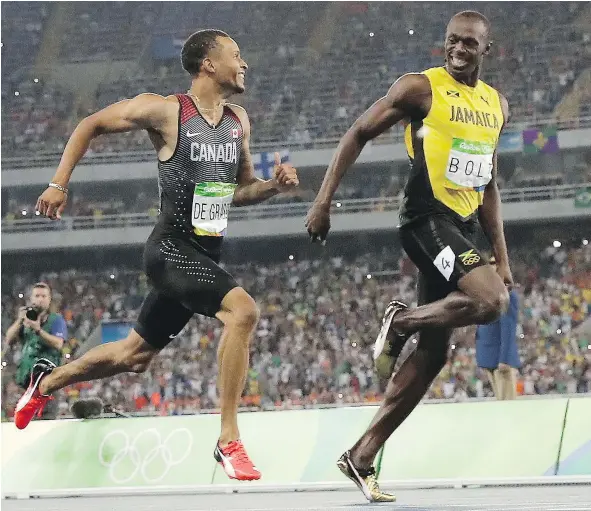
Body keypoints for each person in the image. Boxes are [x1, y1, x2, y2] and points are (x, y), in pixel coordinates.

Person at [16, 29, 299, 482]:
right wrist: (58, 183)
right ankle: (228, 440)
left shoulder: (238, 120)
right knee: (243, 311)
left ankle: (45, 382)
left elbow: (238, 190)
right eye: (236, 55)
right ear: (208, 63)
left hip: (204, 254)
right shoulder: (168, 111)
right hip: (169, 250)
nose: (244, 64)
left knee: (133, 355)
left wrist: (272, 187)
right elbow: (90, 123)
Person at [306, 11, 513, 502]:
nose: (458, 51)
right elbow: (358, 132)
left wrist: (501, 255)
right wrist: (323, 200)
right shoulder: (420, 88)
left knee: (436, 353)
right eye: (451, 42)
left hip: (459, 228)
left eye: (469, 44)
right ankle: (400, 323)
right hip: (425, 222)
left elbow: (486, 184)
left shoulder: (497, 105)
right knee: (492, 303)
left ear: (488, 50)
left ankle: (361, 455)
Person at [4, 282, 67, 420]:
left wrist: (38, 330)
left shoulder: (56, 319)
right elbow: (8, 338)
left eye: (44, 296)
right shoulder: (25, 320)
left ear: (49, 299)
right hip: (27, 382)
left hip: (47, 382)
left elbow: (58, 344)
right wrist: (20, 320)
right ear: (31, 299)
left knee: (45, 421)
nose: (40, 299)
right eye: (37, 296)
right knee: (25, 422)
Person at [476, 257, 521, 400]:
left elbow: (508, 329)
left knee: (507, 403)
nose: (491, 267)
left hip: (500, 359)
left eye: (494, 263)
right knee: (499, 401)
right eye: (488, 264)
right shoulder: (487, 291)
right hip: (489, 356)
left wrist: (505, 359)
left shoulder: (507, 294)